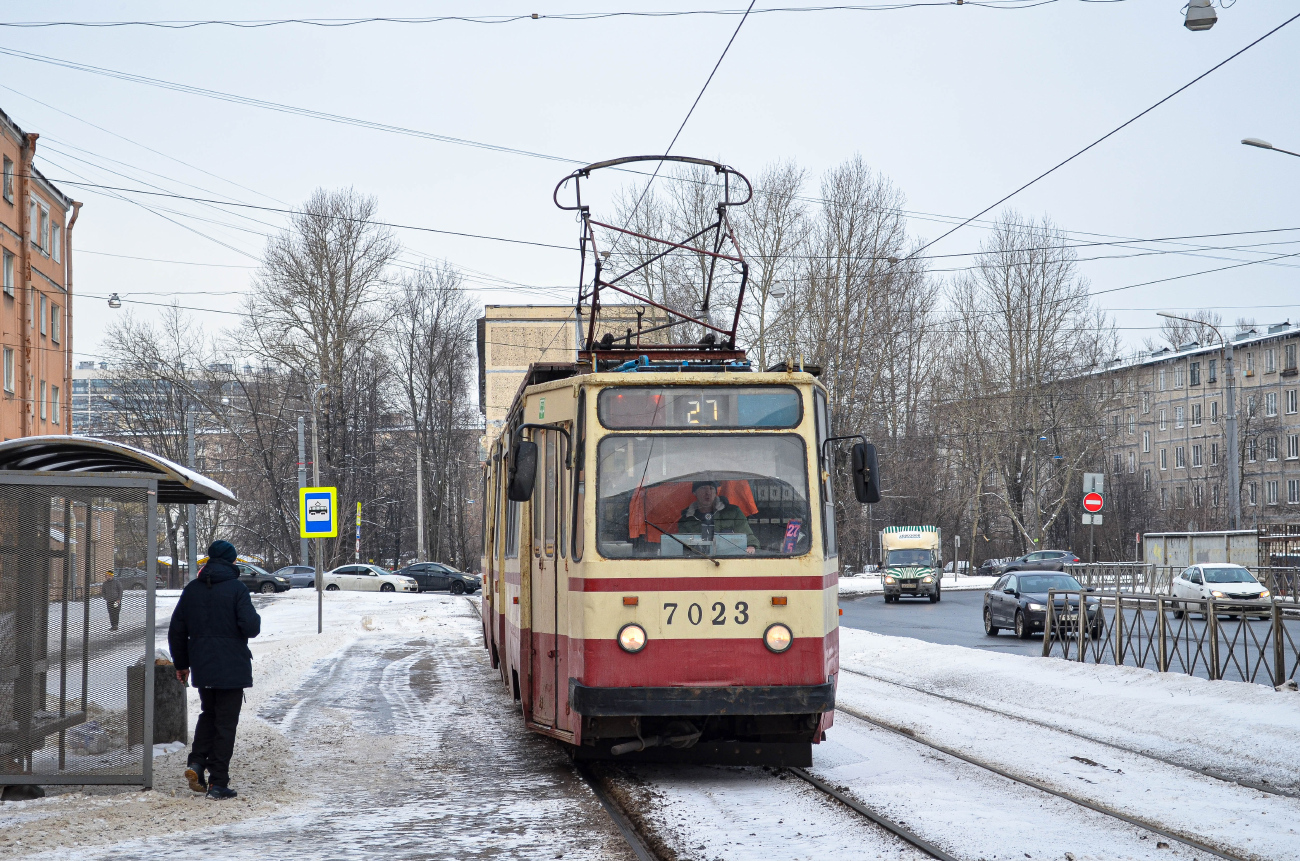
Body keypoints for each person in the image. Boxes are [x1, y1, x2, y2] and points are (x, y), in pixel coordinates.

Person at [168, 540, 261, 800]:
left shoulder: (192, 590)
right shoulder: (237, 589)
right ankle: (218, 782)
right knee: (225, 724)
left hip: (203, 668)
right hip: (232, 669)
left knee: (208, 714)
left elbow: (177, 631)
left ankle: (197, 763)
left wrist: (182, 664)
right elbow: (251, 628)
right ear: (231, 562)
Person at [676, 479, 758, 554]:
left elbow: (749, 537)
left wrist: (751, 546)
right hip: (698, 562)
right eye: (703, 488)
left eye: (711, 488)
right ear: (694, 492)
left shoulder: (734, 512)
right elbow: (682, 548)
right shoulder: (686, 519)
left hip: (731, 560)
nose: (708, 492)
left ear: (716, 492)